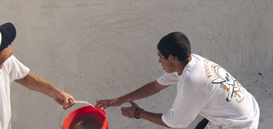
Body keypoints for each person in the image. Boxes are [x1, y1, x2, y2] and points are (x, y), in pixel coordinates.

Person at [96, 32, 259, 129]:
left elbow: (173, 123)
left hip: (239, 125)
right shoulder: (190, 61)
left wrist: (139, 113)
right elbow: (155, 86)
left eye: (160, 57)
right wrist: (119, 99)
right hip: (242, 111)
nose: (159, 61)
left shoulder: (191, 82)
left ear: (171, 58)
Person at [0, 22, 75, 129]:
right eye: (4, 44)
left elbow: (25, 77)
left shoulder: (6, 60)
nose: (9, 44)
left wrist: (55, 92)